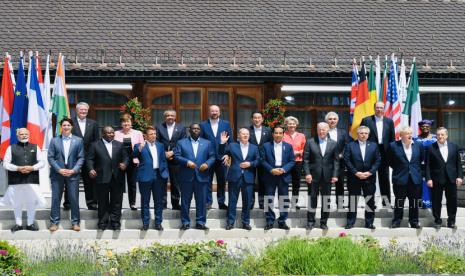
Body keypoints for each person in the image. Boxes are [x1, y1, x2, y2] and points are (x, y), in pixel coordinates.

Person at [0, 128, 46, 232]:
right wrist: (17, 168)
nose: (24, 136)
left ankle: (30, 223)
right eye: (21, 134)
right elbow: (5, 163)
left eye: (26, 134)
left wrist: (32, 168)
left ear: (29, 135)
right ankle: (18, 224)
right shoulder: (11, 148)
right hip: (16, 180)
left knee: (31, 202)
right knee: (17, 202)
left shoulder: (36, 147)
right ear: (17, 136)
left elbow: (42, 162)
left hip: (31, 179)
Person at [174, 123, 215, 231]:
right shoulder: (181, 142)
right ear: (189, 130)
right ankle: (185, 222)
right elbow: (177, 156)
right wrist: (187, 162)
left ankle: (200, 223)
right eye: (193, 128)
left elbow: (212, 156)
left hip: (202, 176)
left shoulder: (207, 143)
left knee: (201, 201)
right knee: (185, 201)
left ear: (200, 131)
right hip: (186, 177)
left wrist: (207, 164)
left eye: (197, 129)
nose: (195, 130)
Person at [86, 126, 128, 231]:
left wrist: (125, 164)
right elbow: (89, 159)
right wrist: (90, 169)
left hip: (117, 177)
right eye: (108, 133)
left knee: (117, 202)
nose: (110, 134)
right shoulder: (95, 145)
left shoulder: (119, 144)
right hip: (101, 177)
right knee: (102, 202)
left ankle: (115, 223)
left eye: (112, 132)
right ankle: (102, 223)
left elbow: (126, 157)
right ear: (102, 134)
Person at [48, 118, 85, 232]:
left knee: (74, 199)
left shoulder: (78, 140)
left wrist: (74, 170)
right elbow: (50, 157)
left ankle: (75, 222)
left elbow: (81, 157)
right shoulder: (54, 140)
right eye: (64, 125)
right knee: (55, 199)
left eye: (68, 125)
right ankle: (54, 222)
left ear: (72, 127)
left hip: (72, 174)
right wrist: (59, 170)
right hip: (57, 174)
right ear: (61, 127)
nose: (66, 127)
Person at [219, 128, 260, 230]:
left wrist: (250, 164)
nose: (245, 135)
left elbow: (259, 160)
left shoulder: (254, 148)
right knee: (232, 201)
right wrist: (222, 144)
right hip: (234, 177)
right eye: (243, 134)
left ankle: (245, 222)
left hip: (248, 178)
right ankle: (230, 222)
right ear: (238, 135)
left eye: (247, 134)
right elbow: (222, 153)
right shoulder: (232, 145)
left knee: (247, 202)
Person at [303, 122, 339, 230]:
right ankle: (310, 221)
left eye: (323, 129)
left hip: (328, 176)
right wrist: (307, 173)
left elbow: (336, 161)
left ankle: (323, 222)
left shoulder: (334, 143)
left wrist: (335, 175)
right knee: (312, 199)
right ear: (317, 130)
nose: (321, 131)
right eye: (319, 129)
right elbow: (306, 160)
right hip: (313, 176)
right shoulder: (310, 142)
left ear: (328, 130)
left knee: (326, 200)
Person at [343, 126, 381, 229]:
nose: (363, 135)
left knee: (370, 201)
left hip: (369, 178)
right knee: (353, 200)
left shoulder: (374, 146)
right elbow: (346, 160)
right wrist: (356, 172)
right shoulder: (350, 145)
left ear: (368, 135)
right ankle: (350, 222)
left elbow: (378, 160)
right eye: (361, 133)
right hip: (354, 177)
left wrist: (370, 172)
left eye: (365, 133)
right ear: (357, 134)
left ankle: (369, 222)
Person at [426, 127, 463, 229]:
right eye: (438, 135)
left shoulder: (454, 146)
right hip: (436, 178)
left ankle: (451, 221)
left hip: (451, 178)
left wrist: (460, 176)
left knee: (452, 200)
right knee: (436, 201)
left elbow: (458, 163)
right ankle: (437, 220)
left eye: (442, 134)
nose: (440, 136)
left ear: (446, 136)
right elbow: (427, 165)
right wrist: (428, 178)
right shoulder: (431, 148)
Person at [133, 126, 169, 231]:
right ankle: (145, 223)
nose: (154, 136)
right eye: (151, 134)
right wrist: (140, 147)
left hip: (158, 176)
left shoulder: (160, 145)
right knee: (145, 201)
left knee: (158, 201)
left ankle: (158, 223)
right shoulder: (139, 146)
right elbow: (133, 155)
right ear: (145, 136)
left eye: (154, 134)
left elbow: (163, 160)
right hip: (145, 176)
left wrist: (165, 172)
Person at [388, 126, 423, 229]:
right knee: (399, 201)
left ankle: (414, 222)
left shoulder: (418, 145)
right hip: (400, 178)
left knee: (414, 202)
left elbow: (420, 160)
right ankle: (397, 221)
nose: (410, 135)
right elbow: (390, 161)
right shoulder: (393, 146)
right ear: (401, 135)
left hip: (415, 179)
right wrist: (401, 169)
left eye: (411, 133)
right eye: (407, 133)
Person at [361, 101, 395, 207]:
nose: (379, 109)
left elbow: (392, 139)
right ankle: (370, 203)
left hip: (385, 152)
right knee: (370, 179)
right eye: (377, 107)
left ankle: (387, 202)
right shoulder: (366, 120)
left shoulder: (389, 121)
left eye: (381, 108)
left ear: (384, 109)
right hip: (371, 152)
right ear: (374, 108)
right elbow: (362, 136)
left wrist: (392, 153)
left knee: (384, 178)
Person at [261, 125, 295, 230]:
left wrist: (283, 169)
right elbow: (262, 160)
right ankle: (269, 221)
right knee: (268, 199)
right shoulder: (266, 146)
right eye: (276, 133)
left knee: (283, 199)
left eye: (280, 133)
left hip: (283, 175)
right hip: (270, 174)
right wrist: (271, 170)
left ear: (283, 134)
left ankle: (282, 221)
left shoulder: (288, 146)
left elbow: (292, 161)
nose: (278, 135)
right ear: (273, 134)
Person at [200, 105, 233, 210]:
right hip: (208, 158)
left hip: (222, 157)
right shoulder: (203, 125)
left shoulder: (226, 124)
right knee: (207, 181)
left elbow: (230, 141)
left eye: (216, 111)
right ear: (209, 112)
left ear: (219, 112)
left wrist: (228, 154)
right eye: (212, 111)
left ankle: (221, 202)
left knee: (222, 181)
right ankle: (208, 202)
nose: (214, 112)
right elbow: (200, 141)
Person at [155, 110, 187, 210]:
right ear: (165, 117)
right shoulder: (159, 127)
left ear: (175, 117)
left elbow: (183, 142)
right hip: (162, 159)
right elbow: (156, 142)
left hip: (176, 159)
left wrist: (172, 152)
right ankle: (163, 204)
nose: (170, 117)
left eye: (172, 115)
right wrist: (164, 153)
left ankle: (176, 204)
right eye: (168, 115)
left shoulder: (181, 128)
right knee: (162, 182)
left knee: (175, 182)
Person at [71, 102, 100, 210]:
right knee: (71, 180)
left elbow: (96, 141)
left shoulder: (93, 123)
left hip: (89, 158)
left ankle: (92, 203)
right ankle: (69, 203)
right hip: (73, 157)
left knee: (90, 181)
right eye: (81, 110)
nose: (83, 111)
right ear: (77, 110)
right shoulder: (70, 122)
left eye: (85, 110)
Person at [115, 113, 144, 210]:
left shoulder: (138, 133)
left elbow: (142, 147)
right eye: (124, 121)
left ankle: (132, 203)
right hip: (121, 162)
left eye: (128, 121)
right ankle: (117, 203)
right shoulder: (116, 133)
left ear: (131, 122)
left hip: (133, 161)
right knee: (119, 183)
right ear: (121, 124)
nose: (126, 123)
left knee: (132, 184)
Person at [325, 111, 351, 209]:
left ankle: (340, 205)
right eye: (330, 119)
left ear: (337, 120)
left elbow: (347, 145)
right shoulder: (323, 131)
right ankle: (326, 205)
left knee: (340, 185)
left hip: (339, 163)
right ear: (327, 120)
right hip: (326, 163)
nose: (332, 121)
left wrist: (342, 154)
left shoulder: (343, 132)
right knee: (326, 185)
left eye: (334, 119)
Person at [248, 111, 272, 209]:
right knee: (250, 181)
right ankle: (250, 203)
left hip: (264, 159)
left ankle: (262, 203)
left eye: (259, 118)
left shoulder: (268, 130)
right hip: (251, 159)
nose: (257, 120)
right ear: (252, 119)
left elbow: (271, 144)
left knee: (263, 181)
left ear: (262, 119)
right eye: (255, 118)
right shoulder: (247, 130)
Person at [283, 116, 306, 209]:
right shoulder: (283, 135)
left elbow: (305, 149)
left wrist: (299, 152)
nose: (291, 125)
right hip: (286, 162)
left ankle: (294, 203)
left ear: (296, 125)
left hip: (297, 162)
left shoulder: (301, 136)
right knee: (284, 182)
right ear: (286, 125)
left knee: (296, 183)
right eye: (289, 123)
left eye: (293, 123)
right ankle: (284, 202)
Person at [413, 119, 437, 209]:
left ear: (430, 127)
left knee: (432, 184)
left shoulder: (435, 138)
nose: (425, 128)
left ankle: (432, 203)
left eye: (427, 126)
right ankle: (421, 203)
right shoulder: (415, 139)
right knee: (420, 185)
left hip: (433, 166)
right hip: (420, 166)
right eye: (423, 127)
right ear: (420, 128)